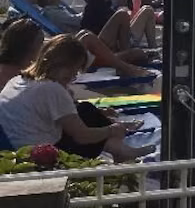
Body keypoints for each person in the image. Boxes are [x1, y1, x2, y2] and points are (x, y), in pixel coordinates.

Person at [0, 35, 151, 162]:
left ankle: (118, 149)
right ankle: (119, 150)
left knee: (84, 110)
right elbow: (82, 136)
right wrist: (111, 130)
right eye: (73, 70)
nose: (73, 76)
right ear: (60, 63)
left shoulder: (20, 79)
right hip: (38, 154)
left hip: (13, 145)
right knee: (88, 116)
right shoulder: (51, 89)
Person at [81, 0, 157, 54]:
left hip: (119, 36)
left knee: (147, 9)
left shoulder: (107, 4)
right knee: (145, 11)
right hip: (108, 40)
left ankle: (153, 48)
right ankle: (152, 47)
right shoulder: (95, 4)